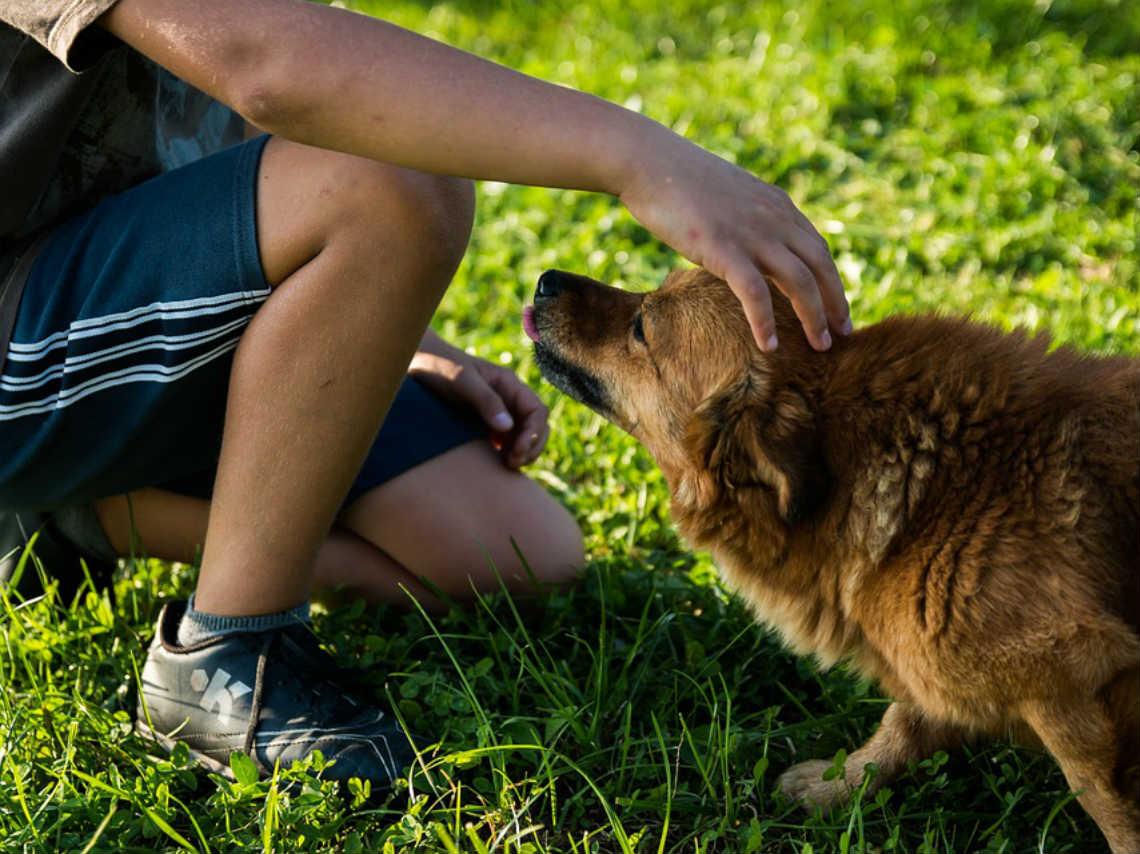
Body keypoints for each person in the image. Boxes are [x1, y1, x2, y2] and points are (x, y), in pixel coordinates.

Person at [0, 0, 851, 786]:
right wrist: (644, 159)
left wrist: (377, 325)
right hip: (19, 322)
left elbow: (213, 120)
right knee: (396, 181)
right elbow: (265, 65)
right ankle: (226, 656)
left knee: (510, 554)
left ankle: (73, 518)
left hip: (116, 296)